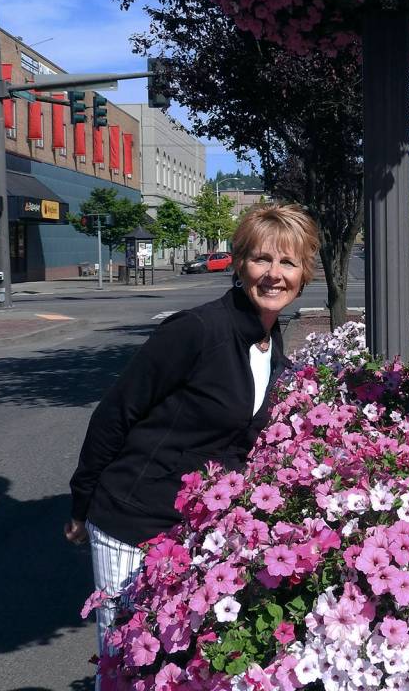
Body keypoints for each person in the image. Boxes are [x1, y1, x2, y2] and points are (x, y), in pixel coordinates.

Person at [64, 203, 320, 655]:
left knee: (172, 658)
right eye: (262, 258)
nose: (274, 274)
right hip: (134, 517)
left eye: (288, 262)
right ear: (239, 263)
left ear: (303, 276)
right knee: (126, 655)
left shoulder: (267, 338)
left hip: (193, 526)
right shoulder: (197, 330)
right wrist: (81, 504)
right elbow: (115, 412)